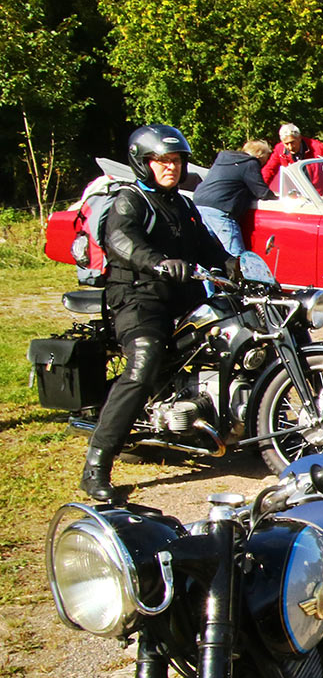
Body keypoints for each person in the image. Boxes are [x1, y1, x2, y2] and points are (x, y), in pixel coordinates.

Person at [81, 125, 241, 503]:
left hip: (181, 295)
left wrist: (232, 265)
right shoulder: (130, 199)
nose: (170, 167)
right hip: (138, 297)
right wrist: (156, 262)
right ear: (143, 162)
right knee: (144, 363)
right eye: (161, 160)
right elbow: (120, 239)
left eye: (175, 160)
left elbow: (208, 246)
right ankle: (97, 463)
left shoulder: (184, 204)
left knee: (229, 338)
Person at [193, 139, 273, 256]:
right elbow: (261, 191)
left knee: (206, 250)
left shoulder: (224, 159)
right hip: (220, 208)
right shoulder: (250, 163)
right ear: (259, 155)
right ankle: (237, 273)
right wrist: (277, 198)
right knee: (235, 253)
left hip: (200, 203)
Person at [260, 123, 323, 189]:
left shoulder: (318, 148)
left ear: (299, 138)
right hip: (296, 193)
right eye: (286, 144)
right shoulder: (279, 150)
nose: (290, 147)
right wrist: (261, 189)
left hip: (320, 194)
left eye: (292, 142)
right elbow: (269, 170)